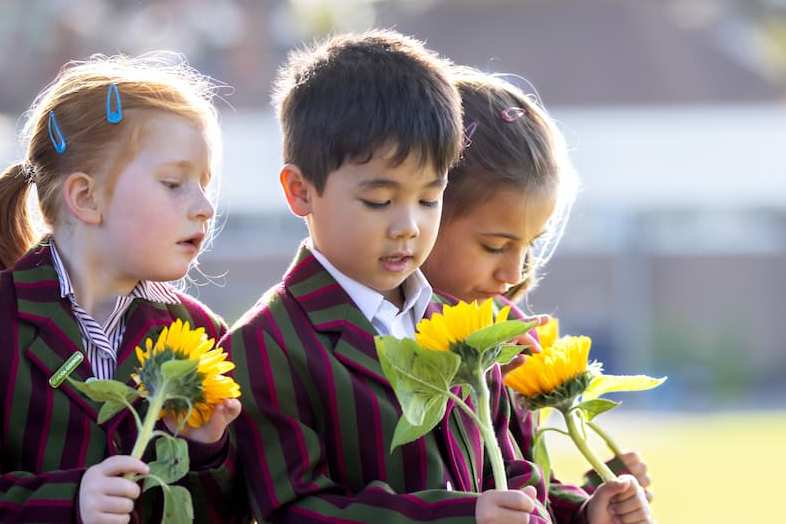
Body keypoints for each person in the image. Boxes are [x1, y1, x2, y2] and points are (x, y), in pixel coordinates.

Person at [226, 30, 560, 523]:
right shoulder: (266, 345)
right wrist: (460, 517)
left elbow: (506, 470)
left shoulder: (461, 324)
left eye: (429, 199)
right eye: (379, 200)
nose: (408, 226)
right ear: (300, 192)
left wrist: (577, 510)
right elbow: (294, 509)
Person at [0, 54, 245, 524]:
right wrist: (69, 501)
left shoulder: (200, 332)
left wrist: (205, 447)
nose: (205, 206)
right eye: (174, 183)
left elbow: (223, 512)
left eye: (205, 184)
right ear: (86, 198)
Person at [422, 68, 653, 523]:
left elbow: (518, 480)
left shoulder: (511, 338)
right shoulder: (378, 333)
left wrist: (587, 508)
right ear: (425, 207)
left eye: (529, 246)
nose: (512, 273)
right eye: (494, 246)